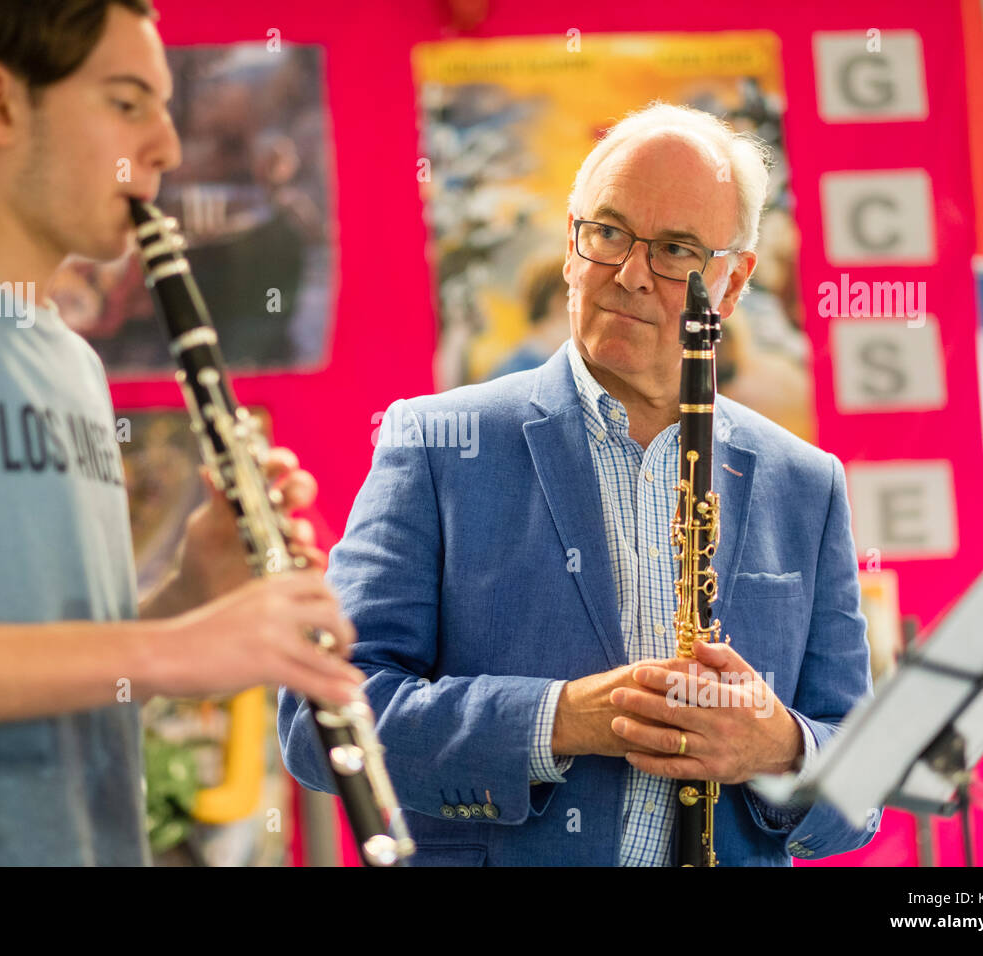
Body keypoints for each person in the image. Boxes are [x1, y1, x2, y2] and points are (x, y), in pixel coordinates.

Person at [0, 0, 363, 866]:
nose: (166, 145)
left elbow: (43, 665)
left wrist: (185, 595)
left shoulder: (72, 362)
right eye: (128, 103)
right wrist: (168, 649)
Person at [279, 102, 879, 866]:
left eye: (676, 250)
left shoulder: (807, 484)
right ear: (570, 244)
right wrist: (560, 719)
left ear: (732, 285)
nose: (630, 275)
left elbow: (861, 791)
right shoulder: (434, 444)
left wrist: (780, 748)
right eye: (608, 233)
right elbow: (320, 719)